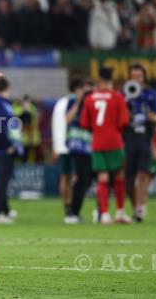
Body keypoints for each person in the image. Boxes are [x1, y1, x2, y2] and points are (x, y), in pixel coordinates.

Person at [80, 68, 131, 225]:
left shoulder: (90, 99)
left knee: (102, 178)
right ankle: (120, 213)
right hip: (115, 142)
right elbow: (125, 121)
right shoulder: (117, 97)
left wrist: (97, 129)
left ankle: (105, 215)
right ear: (111, 81)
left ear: (99, 81)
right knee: (119, 176)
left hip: (97, 142)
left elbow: (84, 123)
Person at [124, 63, 156, 222]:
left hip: (144, 137)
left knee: (143, 173)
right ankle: (134, 206)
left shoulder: (151, 94)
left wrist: (146, 112)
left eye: (139, 76)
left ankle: (140, 207)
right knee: (129, 177)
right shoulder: (124, 93)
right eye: (133, 76)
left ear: (144, 76)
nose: (136, 79)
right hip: (128, 137)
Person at [0, 78, 21, 224]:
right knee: (1, 181)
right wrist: (8, 146)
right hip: (3, 149)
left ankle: (5, 210)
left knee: (3, 180)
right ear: (7, 88)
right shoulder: (0, 104)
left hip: (0, 148)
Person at [64, 79, 93, 224]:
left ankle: (74, 212)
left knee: (86, 179)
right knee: (81, 178)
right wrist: (79, 102)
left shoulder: (93, 101)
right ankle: (72, 213)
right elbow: (67, 119)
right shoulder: (72, 101)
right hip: (77, 145)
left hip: (91, 145)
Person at [51, 82, 75, 218]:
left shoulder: (60, 104)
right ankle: (69, 206)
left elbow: (54, 125)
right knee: (70, 177)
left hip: (61, 145)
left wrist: (55, 146)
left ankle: (66, 206)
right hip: (71, 145)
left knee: (65, 177)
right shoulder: (71, 103)